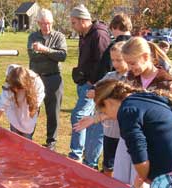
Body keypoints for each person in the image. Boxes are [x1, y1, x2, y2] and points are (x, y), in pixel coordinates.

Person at [92, 79, 172, 188]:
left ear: (108, 102)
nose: (108, 117)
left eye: (104, 112)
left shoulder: (127, 110)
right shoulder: (144, 99)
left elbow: (139, 152)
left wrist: (142, 179)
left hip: (170, 176)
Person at [113, 37, 172, 187]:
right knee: (120, 179)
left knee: (141, 182)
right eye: (127, 63)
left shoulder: (165, 82)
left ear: (146, 57)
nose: (129, 67)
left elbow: (170, 118)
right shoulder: (130, 78)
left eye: (132, 63)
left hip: (150, 145)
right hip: (128, 137)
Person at [69, 4, 110, 169]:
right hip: (84, 83)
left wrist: (92, 83)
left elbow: (104, 64)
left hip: (93, 86)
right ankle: (89, 160)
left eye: (74, 22)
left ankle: (76, 155)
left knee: (79, 116)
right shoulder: (84, 34)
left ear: (83, 20)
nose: (72, 26)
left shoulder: (99, 35)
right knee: (91, 121)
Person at [80, 41, 128, 176]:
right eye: (113, 60)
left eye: (119, 60)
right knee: (108, 164)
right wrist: (93, 92)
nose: (116, 64)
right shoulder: (110, 76)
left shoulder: (132, 79)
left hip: (125, 132)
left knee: (124, 167)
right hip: (110, 131)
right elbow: (96, 88)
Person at [27, 9, 67, 150]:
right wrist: (52, 54)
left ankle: (51, 142)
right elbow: (33, 56)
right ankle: (28, 136)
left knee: (53, 112)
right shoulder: (33, 36)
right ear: (38, 23)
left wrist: (44, 49)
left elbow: (62, 56)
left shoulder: (59, 36)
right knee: (32, 109)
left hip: (53, 78)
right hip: (35, 79)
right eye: (44, 24)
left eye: (49, 23)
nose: (47, 26)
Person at [0, 64, 45, 147]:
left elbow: (34, 107)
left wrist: (28, 117)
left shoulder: (36, 83)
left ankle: (26, 151)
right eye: (15, 88)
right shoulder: (9, 86)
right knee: (15, 136)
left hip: (30, 103)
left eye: (19, 88)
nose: (17, 90)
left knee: (26, 138)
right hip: (15, 106)